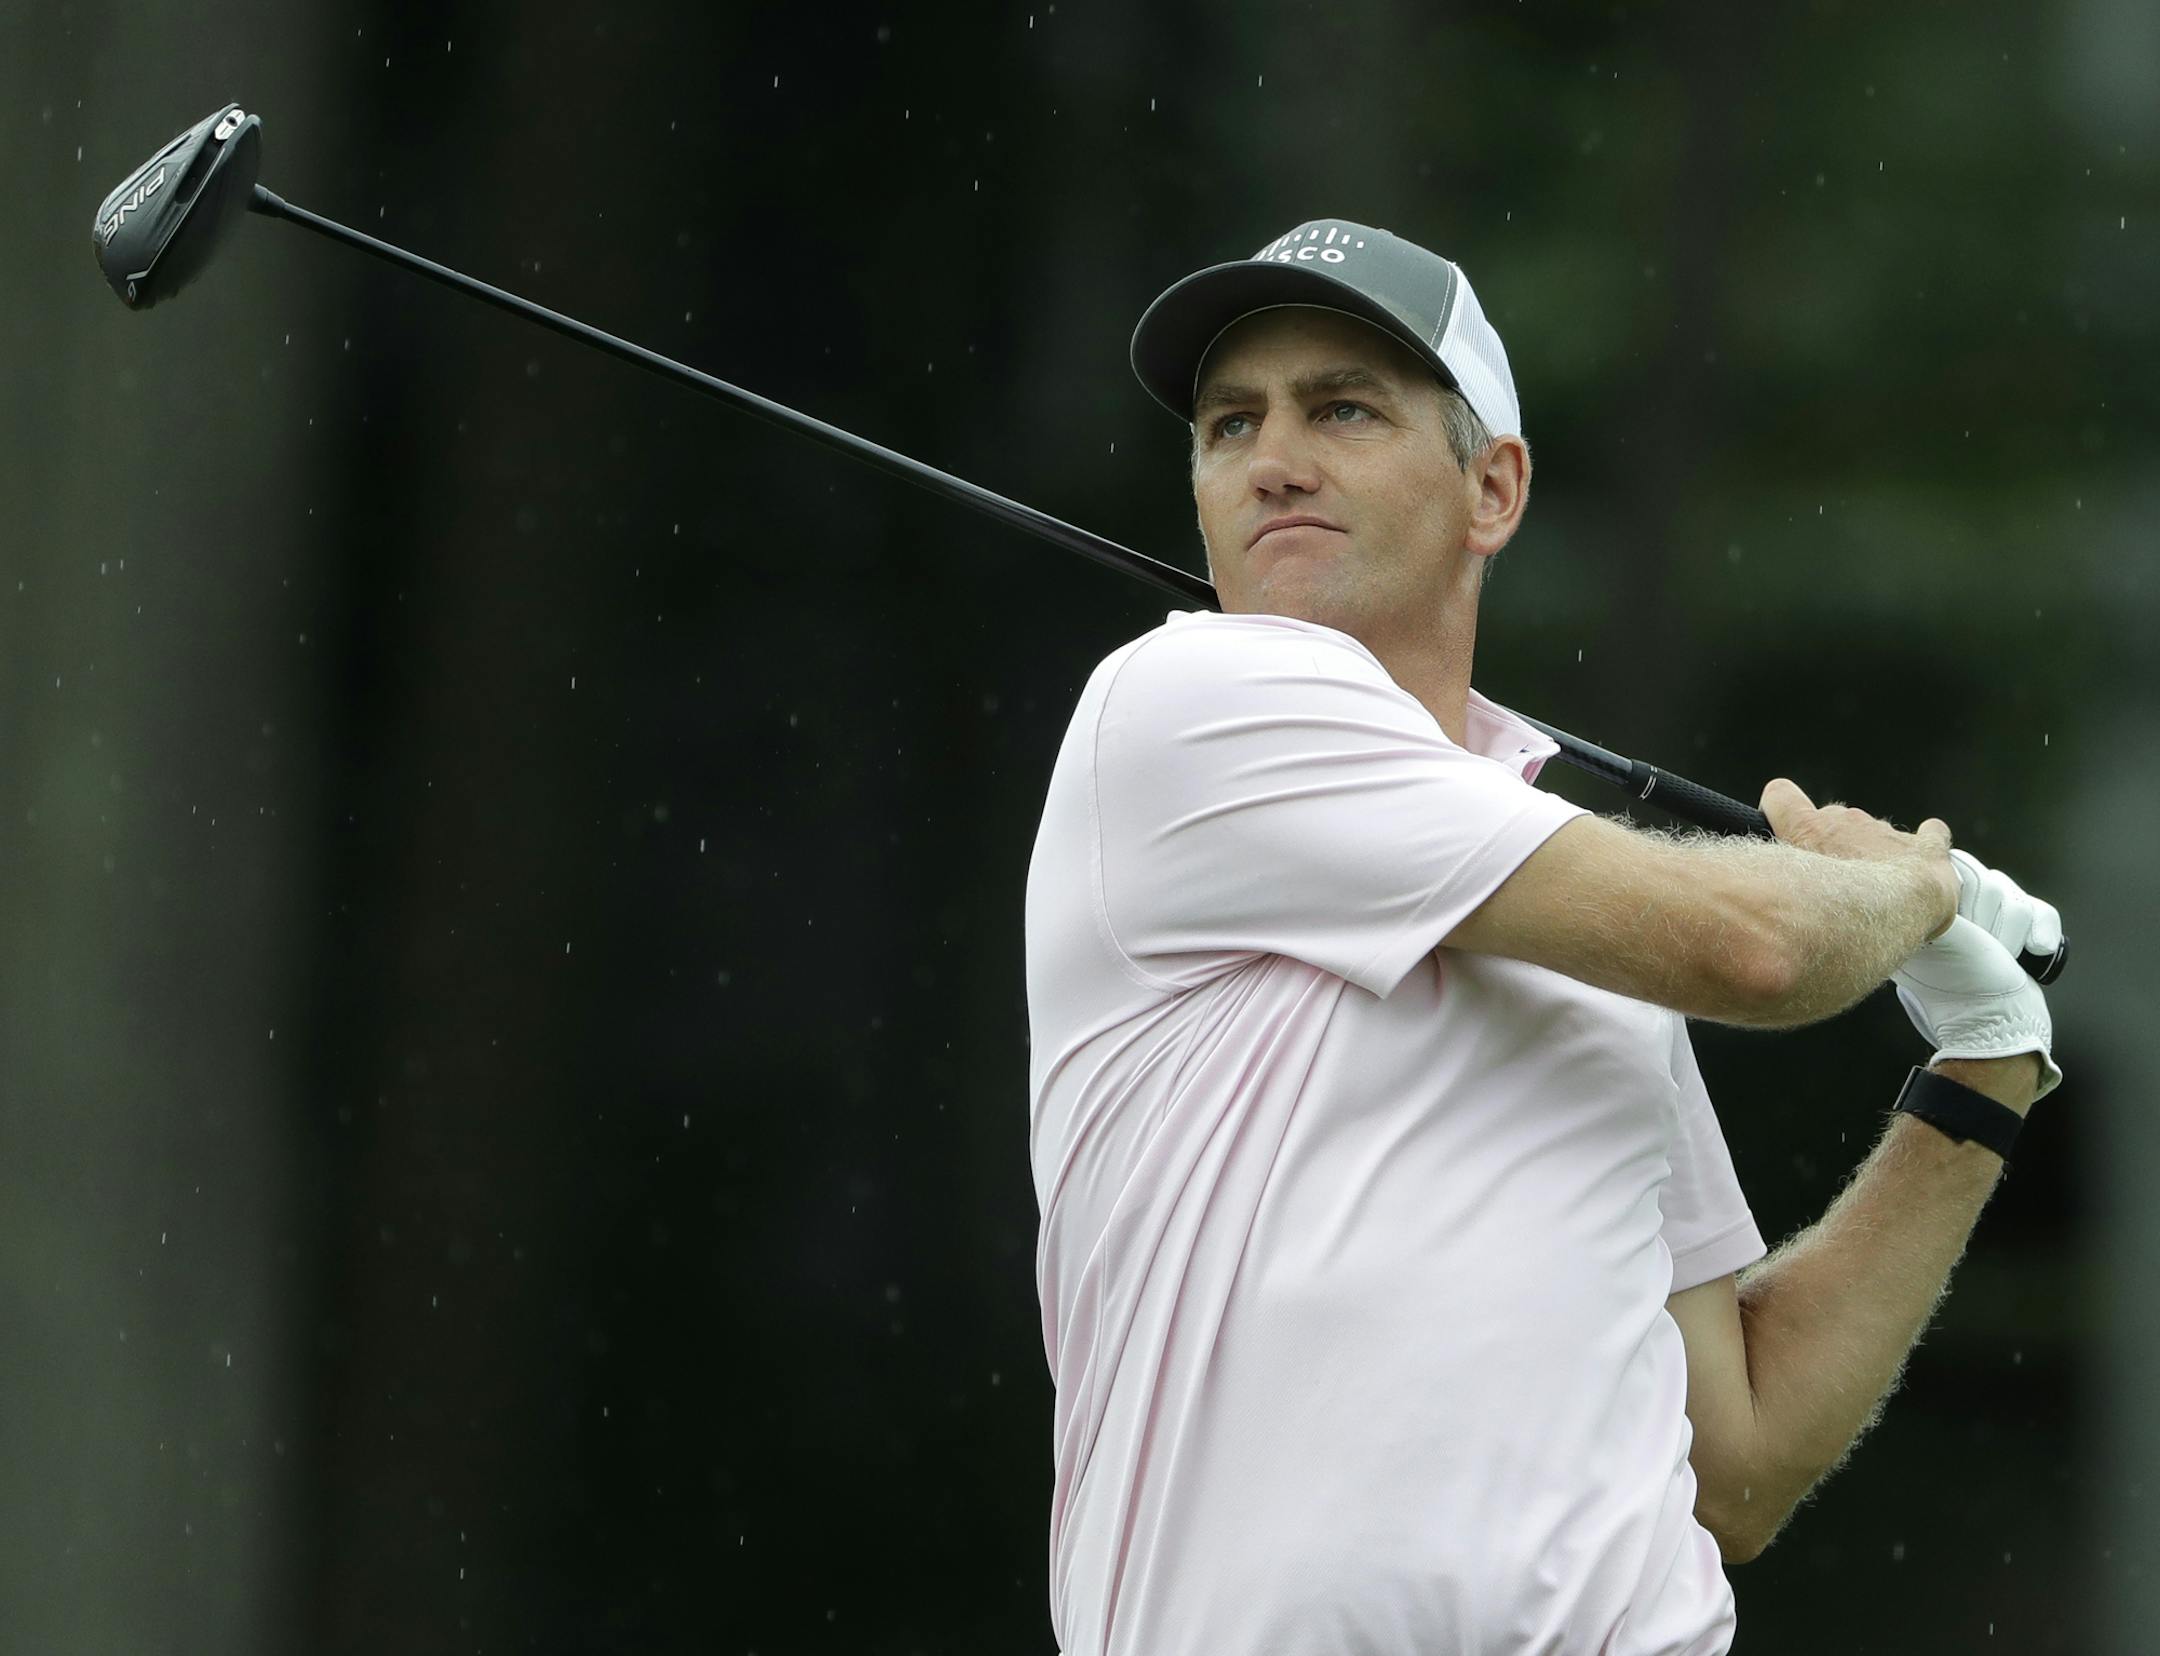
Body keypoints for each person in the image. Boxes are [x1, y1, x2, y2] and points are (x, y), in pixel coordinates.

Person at [1022, 218, 2066, 1655]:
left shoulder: (1579, 912)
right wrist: (1921, 891)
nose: (1270, 456)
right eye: (1228, 424)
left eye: (1342, 408)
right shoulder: (1186, 704)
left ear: (1491, 488)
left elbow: (1741, 1458)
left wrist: (1986, 1065)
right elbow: (1756, 952)